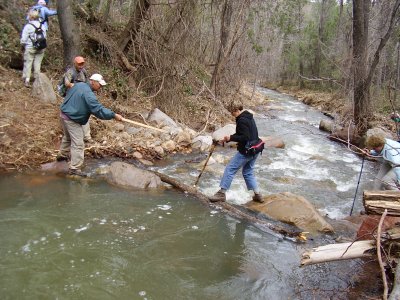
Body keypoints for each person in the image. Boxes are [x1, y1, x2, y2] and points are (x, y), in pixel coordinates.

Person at [57, 74, 123, 177]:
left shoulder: (79, 85)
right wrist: (113, 115)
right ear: (92, 81)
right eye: (99, 84)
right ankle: (74, 168)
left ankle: (61, 156)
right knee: (78, 143)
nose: (101, 87)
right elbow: (98, 110)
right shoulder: (88, 94)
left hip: (63, 114)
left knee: (68, 137)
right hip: (72, 118)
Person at [209, 103, 264, 203]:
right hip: (255, 149)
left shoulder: (242, 120)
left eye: (232, 112)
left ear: (236, 110)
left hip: (247, 150)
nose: (232, 114)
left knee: (230, 169)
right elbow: (242, 134)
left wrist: (231, 138)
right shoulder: (248, 117)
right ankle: (258, 195)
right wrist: (228, 139)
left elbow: (245, 137)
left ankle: (221, 193)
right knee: (248, 172)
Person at [63, 56, 92, 143]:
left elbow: (87, 82)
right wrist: (76, 87)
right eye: (79, 64)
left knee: (85, 114)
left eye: (82, 64)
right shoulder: (70, 72)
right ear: (75, 64)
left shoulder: (84, 72)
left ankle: (87, 136)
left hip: (82, 96)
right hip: (72, 97)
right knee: (71, 116)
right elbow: (67, 83)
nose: (81, 66)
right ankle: (71, 136)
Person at [20, 9, 46, 87]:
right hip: (41, 47)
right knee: (37, 63)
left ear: (31, 17)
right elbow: (45, 37)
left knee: (28, 62)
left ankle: (27, 79)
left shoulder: (28, 26)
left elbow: (23, 40)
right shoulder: (42, 26)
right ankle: (36, 80)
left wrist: (23, 44)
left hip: (30, 47)